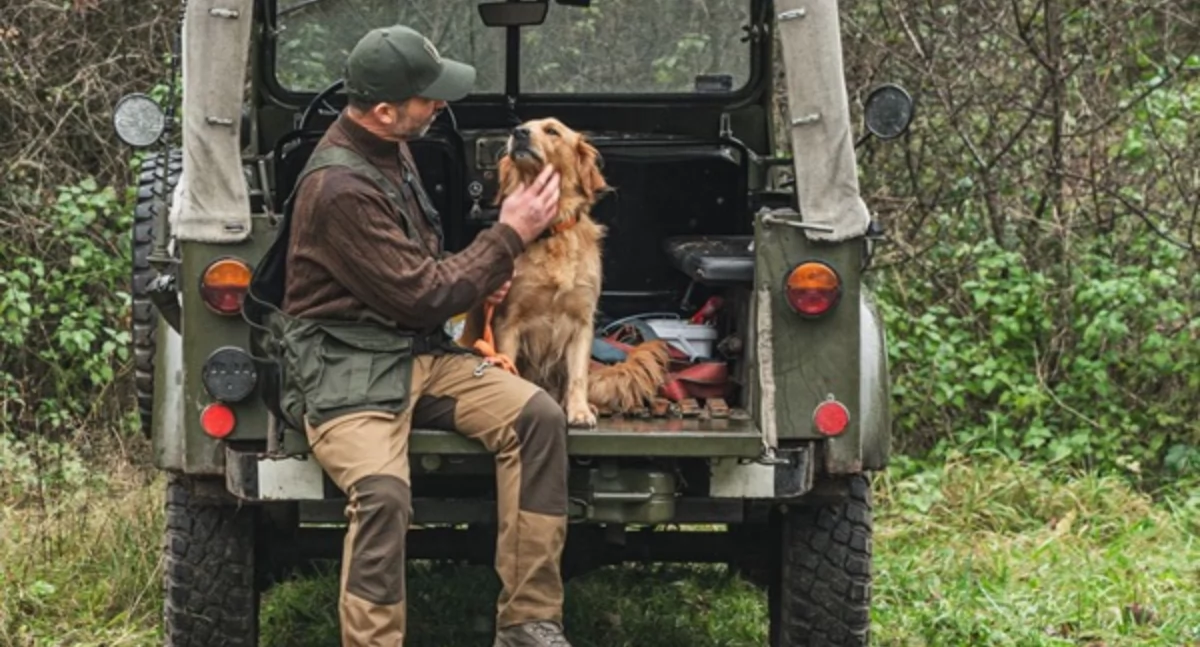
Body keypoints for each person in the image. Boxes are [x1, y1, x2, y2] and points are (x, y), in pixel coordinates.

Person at [279, 24, 572, 647]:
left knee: (538, 418)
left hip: (419, 351)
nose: (440, 105)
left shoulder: (391, 149)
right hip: (348, 366)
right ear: (386, 111)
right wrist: (509, 234)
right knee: (383, 495)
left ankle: (529, 621)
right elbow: (421, 293)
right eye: (427, 97)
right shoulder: (339, 188)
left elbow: (423, 278)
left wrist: (479, 278)